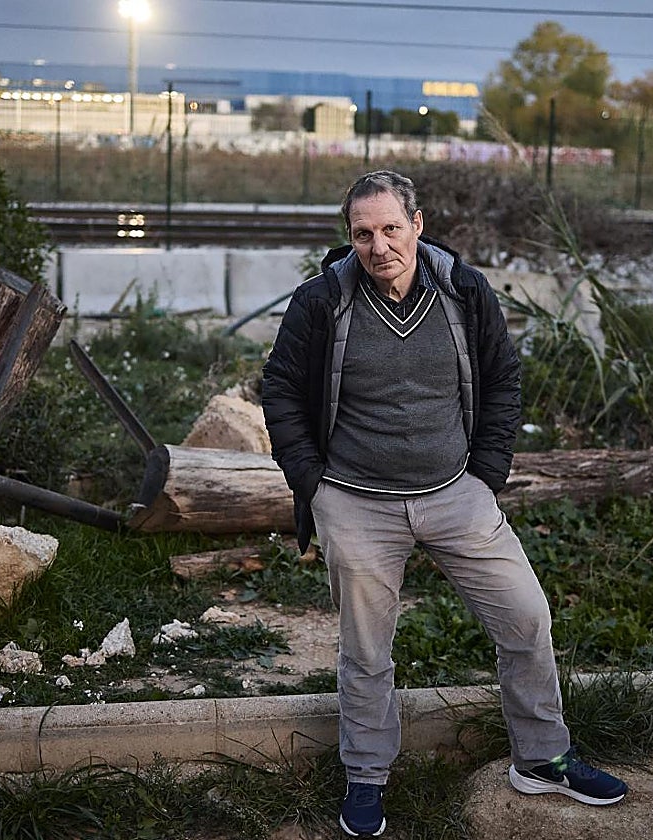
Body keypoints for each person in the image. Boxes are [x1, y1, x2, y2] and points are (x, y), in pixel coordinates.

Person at [261, 170, 627, 837]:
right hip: (356, 500)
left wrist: (486, 472)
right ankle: (368, 777)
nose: (378, 247)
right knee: (366, 650)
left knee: (526, 616)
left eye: (390, 229)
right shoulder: (322, 301)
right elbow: (279, 390)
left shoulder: (463, 289)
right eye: (362, 233)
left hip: (456, 492)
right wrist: (312, 484)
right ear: (349, 237)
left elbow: (503, 377)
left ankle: (542, 759)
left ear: (418, 224)